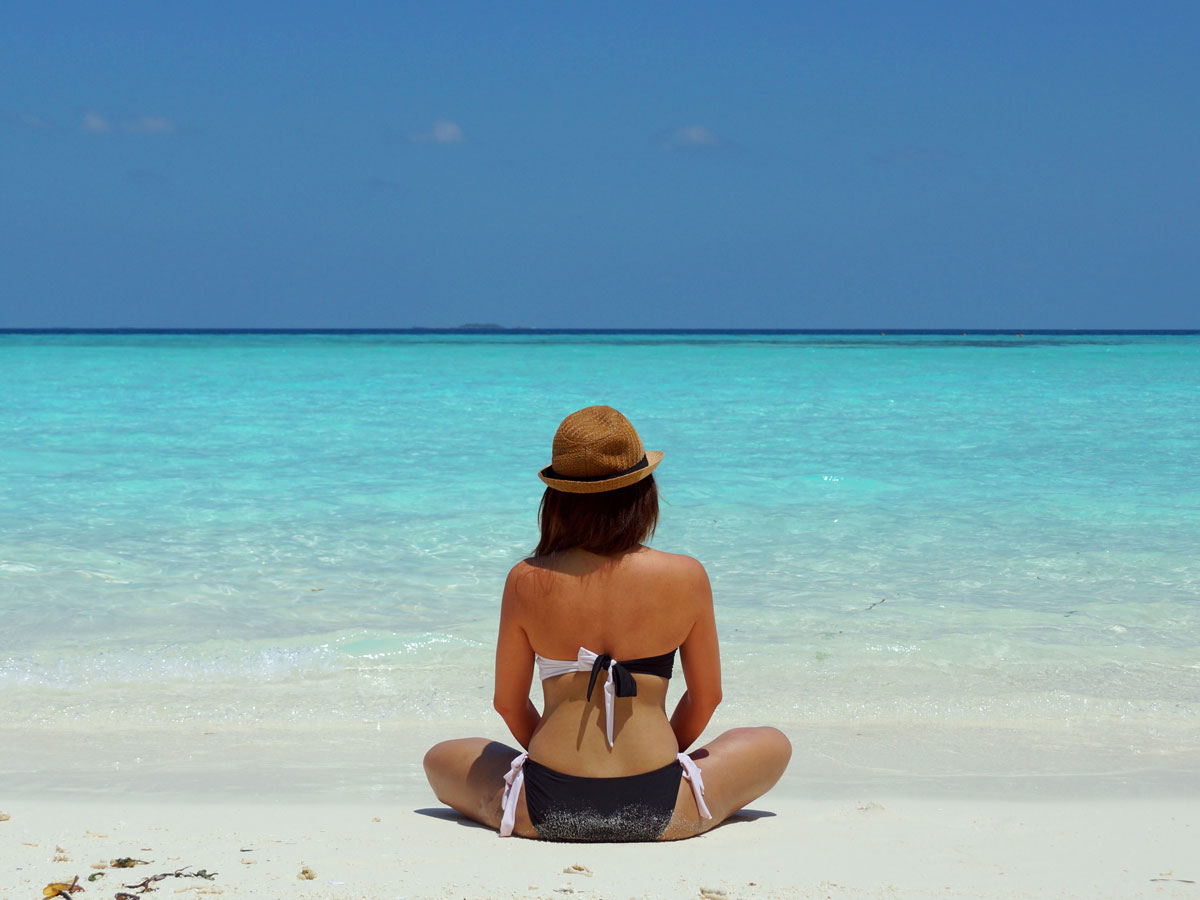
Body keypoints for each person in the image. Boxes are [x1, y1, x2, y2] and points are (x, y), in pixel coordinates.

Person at [423, 405, 791, 841]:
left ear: (557, 500)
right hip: (662, 804)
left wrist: (561, 760)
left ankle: (529, 802)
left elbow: (508, 703)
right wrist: (657, 756)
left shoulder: (527, 579)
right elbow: (707, 697)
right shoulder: (685, 575)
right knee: (772, 743)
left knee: (440, 757)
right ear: (644, 494)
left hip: (546, 804)